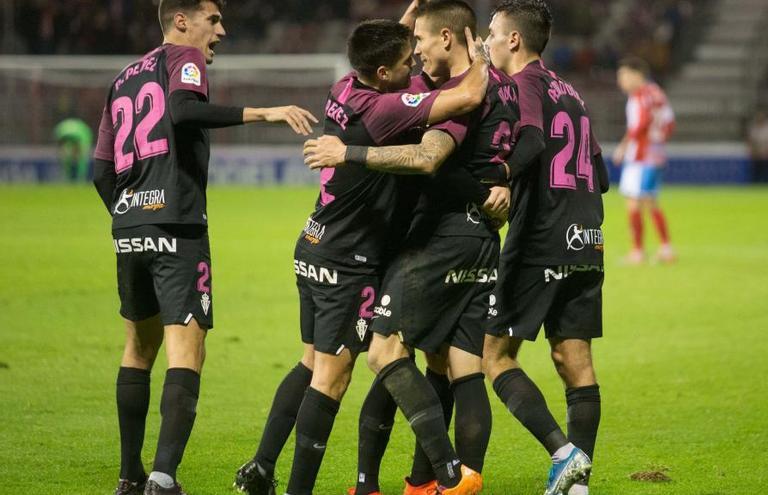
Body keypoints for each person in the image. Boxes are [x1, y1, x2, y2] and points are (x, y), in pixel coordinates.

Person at [234, 10, 496, 495]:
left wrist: (411, 13)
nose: (414, 59)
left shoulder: (345, 87)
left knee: (310, 362)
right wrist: (478, 53)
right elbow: (471, 94)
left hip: (312, 242)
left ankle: (262, 466)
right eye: (405, 58)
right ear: (383, 74)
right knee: (332, 378)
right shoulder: (387, 109)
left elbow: (383, 55)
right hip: (347, 261)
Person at [92, 1, 318, 494]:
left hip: (130, 227)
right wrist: (266, 112)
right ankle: (162, 479)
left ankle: (129, 478)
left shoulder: (123, 78)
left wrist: (131, 214)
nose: (221, 30)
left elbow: (100, 171)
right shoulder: (183, 58)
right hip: (177, 226)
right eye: (213, 20)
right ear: (182, 21)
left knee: (137, 349)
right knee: (186, 351)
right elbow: (183, 110)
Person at [304, 2, 512, 494]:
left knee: (384, 352)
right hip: (479, 238)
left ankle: (445, 474)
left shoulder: (460, 94)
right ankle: (421, 485)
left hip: (436, 240)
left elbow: (426, 158)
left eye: (419, 41)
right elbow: (525, 143)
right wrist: (504, 182)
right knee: (456, 363)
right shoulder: (497, 87)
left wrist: (346, 151)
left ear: (447, 37)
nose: (414, 54)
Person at [480, 1, 610, 494]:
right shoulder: (572, 91)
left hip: (541, 240)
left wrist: (503, 177)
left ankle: (563, 453)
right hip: (588, 238)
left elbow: (532, 139)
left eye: (492, 33)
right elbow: (601, 174)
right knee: (573, 358)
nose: (487, 41)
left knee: (495, 355)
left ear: (515, 40)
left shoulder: (525, 83)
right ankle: (578, 485)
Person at [613, 56, 676, 265]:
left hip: (641, 155)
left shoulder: (640, 95)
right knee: (650, 200)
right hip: (656, 153)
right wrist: (658, 142)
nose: (621, 82)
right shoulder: (657, 92)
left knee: (633, 201)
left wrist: (623, 147)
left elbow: (639, 125)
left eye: (623, 76)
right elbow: (669, 123)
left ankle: (637, 252)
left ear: (637, 75)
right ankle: (666, 249)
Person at [54, 117, 94, 182]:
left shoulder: (81, 135)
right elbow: (61, 146)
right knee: (70, 161)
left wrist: (77, 154)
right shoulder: (62, 132)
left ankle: (79, 178)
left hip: (81, 138)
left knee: (81, 161)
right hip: (72, 138)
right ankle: (72, 178)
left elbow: (81, 148)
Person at [746, 108, 768, 184]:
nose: (760, 118)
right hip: (756, 156)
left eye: (762, 116)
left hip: (767, 156)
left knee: (767, 175)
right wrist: (753, 152)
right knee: (755, 176)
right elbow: (750, 141)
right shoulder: (753, 127)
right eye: (759, 116)